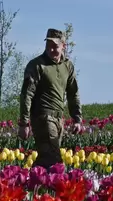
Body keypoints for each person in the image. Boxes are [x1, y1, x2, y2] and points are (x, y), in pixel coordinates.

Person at [17, 28, 83, 170]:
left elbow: (73, 93)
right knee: (55, 161)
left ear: (63, 46)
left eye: (55, 46)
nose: (51, 49)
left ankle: (25, 181)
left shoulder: (68, 66)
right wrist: (24, 123)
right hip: (43, 118)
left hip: (59, 119)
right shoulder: (37, 65)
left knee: (45, 159)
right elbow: (26, 95)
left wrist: (77, 118)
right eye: (49, 45)